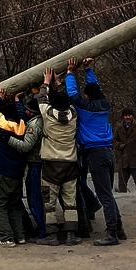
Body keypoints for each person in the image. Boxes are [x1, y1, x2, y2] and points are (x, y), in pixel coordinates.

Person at [66, 57, 125, 246]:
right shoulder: (104, 104)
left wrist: (69, 73)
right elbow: (95, 87)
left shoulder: (84, 107)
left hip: (95, 153)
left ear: (86, 96)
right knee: (108, 193)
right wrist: (87, 69)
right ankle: (119, 229)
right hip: (108, 152)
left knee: (104, 195)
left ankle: (112, 234)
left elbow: (72, 93)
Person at [34, 69, 80, 246]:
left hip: (51, 165)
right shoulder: (73, 115)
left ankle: (52, 236)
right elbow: (68, 99)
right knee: (70, 202)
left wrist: (46, 82)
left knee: (49, 202)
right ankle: (70, 235)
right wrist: (59, 84)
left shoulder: (47, 114)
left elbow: (41, 98)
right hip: (70, 163)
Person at [0, 88, 27, 247]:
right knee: (14, 205)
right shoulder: (22, 126)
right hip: (17, 173)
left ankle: (6, 237)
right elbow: (21, 114)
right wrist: (17, 101)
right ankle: (19, 235)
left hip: (1, 172)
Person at [6, 91, 47, 243]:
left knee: (35, 200)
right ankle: (42, 228)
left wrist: (9, 139)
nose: (25, 112)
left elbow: (25, 146)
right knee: (37, 199)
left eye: (27, 110)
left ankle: (43, 231)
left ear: (32, 112)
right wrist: (17, 100)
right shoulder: (40, 119)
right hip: (39, 164)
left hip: (36, 165)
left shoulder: (33, 125)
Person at [114, 108, 136, 193]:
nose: (128, 117)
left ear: (132, 116)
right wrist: (119, 145)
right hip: (123, 161)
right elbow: (113, 141)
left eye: (129, 115)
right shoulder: (118, 128)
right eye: (126, 115)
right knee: (122, 184)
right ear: (123, 117)